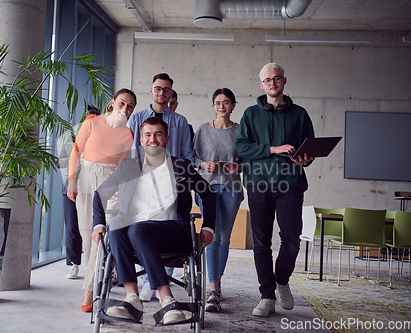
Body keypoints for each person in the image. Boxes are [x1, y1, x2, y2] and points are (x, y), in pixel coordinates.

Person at [92, 117, 216, 324]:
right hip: (134, 234)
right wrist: (98, 224)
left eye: (158, 134)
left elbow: (209, 194)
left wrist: (209, 226)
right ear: (141, 140)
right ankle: (132, 298)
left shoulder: (182, 166)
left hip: (172, 232)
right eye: (148, 135)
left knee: (137, 229)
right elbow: (100, 193)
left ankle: (166, 299)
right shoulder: (129, 166)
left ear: (166, 138)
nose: (153, 139)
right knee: (117, 224)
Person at [235, 63, 315, 317]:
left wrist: (306, 159)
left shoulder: (300, 114)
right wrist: (273, 149)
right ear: (261, 85)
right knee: (261, 242)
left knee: (291, 239)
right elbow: (242, 148)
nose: (272, 83)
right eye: (267, 80)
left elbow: (309, 149)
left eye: (277, 78)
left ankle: (281, 280)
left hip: (290, 182)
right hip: (258, 183)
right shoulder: (250, 114)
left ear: (284, 81)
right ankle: (267, 296)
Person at [67, 88, 137, 312]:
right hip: (86, 178)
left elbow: (123, 166)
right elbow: (76, 151)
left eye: (130, 106)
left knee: (100, 234)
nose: (125, 109)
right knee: (87, 235)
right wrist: (71, 181)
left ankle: (90, 290)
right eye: (122, 103)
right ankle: (99, 274)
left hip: (110, 183)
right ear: (112, 103)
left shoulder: (128, 133)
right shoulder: (92, 122)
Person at [126, 73, 193, 301]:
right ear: (152, 90)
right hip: (142, 178)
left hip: (170, 181)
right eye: (158, 89)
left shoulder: (180, 122)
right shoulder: (136, 119)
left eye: (166, 90)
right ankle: (148, 282)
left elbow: (186, 154)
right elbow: (130, 150)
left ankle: (158, 280)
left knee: (168, 218)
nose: (161, 93)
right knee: (140, 223)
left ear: (171, 93)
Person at [193, 88, 244, 312]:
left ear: (233, 105)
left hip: (232, 187)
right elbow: (193, 157)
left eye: (226, 102)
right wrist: (205, 165)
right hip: (208, 187)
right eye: (217, 103)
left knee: (225, 238)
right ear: (213, 106)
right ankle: (213, 290)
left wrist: (238, 166)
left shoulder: (241, 131)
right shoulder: (203, 130)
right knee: (212, 235)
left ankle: (217, 282)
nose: (221, 106)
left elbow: (248, 160)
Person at [57, 105, 100, 280]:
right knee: (73, 226)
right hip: (71, 186)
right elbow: (64, 160)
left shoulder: (101, 135)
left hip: (93, 187)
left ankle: (97, 264)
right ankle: (73, 264)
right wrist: (70, 184)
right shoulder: (71, 134)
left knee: (93, 225)